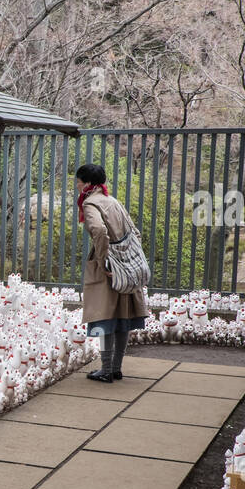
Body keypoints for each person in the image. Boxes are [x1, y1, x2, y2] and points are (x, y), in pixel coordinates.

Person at [75, 163, 147, 382]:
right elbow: (134, 232)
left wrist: (104, 259)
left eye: (79, 181)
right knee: (122, 316)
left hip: (108, 268)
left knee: (104, 316)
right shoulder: (112, 201)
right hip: (125, 267)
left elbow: (98, 229)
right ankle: (116, 367)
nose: (77, 185)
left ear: (87, 184)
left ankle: (105, 370)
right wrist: (127, 257)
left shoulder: (90, 203)